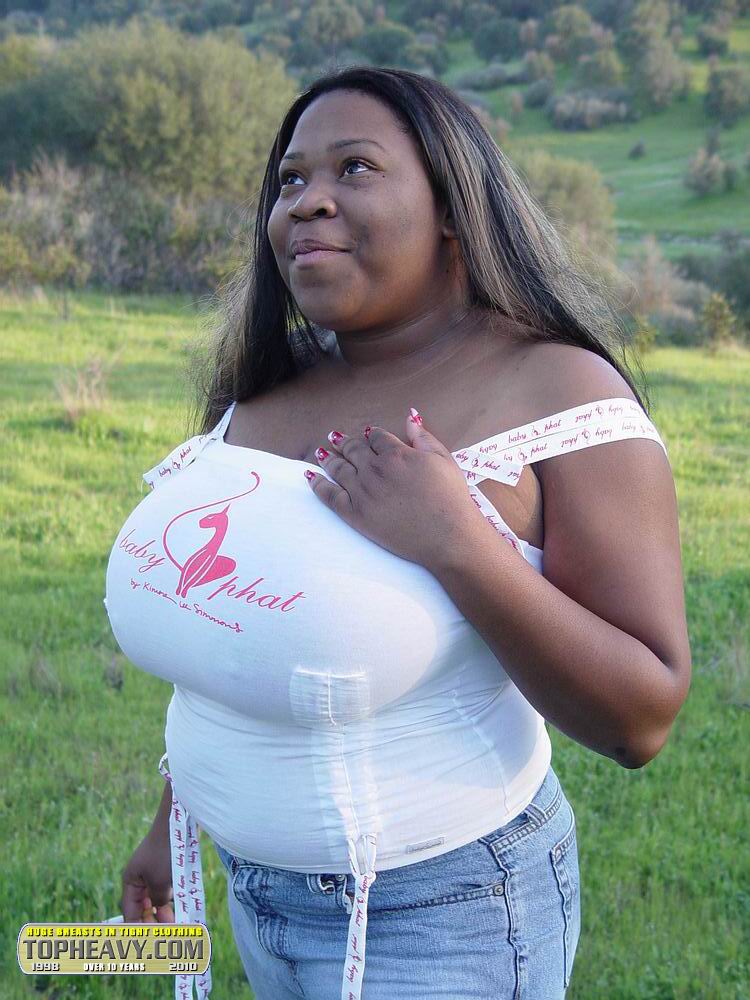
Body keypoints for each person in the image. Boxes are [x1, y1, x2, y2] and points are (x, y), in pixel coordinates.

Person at [106, 67, 692, 1000]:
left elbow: (642, 716)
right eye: (290, 179)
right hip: (256, 899)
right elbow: (234, 640)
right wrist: (173, 823)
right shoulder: (266, 386)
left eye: (355, 167)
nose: (308, 201)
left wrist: (457, 538)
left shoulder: (558, 389)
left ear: (453, 208)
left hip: (447, 918)